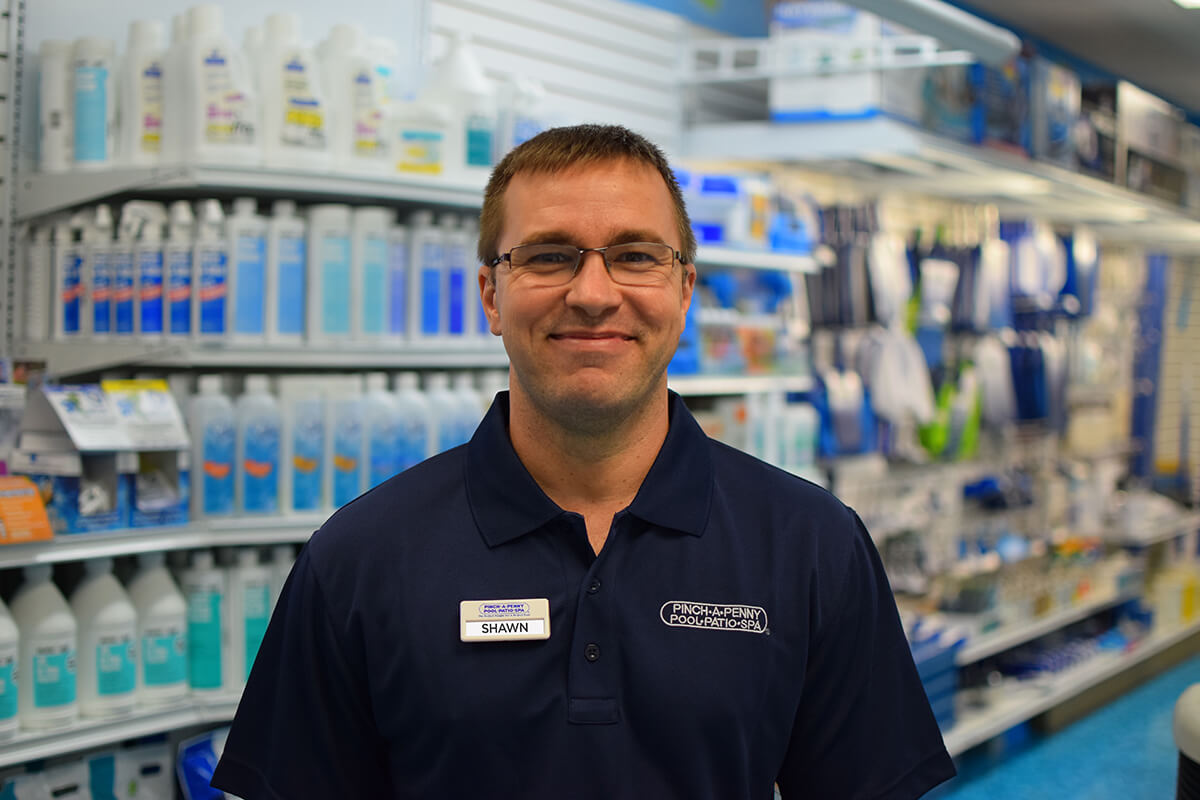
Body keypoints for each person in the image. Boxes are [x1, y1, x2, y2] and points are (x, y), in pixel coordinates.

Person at [211, 124, 956, 799]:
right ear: (492, 295)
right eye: (548, 256)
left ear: (684, 290)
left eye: (635, 255)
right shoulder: (360, 558)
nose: (593, 293)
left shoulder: (811, 545)